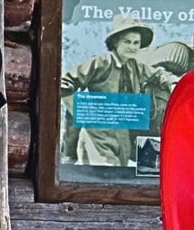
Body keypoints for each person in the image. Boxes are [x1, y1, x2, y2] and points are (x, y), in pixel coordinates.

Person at [60, 16, 177, 166]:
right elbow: (64, 84)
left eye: (136, 43)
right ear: (115, 42)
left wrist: (173, 84)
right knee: (104, 176)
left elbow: (158, 74)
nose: (132, 47)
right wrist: (84, 114)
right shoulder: (100, 63)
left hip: (123, 134)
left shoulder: (135, 66)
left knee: (119, 175)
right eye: (127, 42)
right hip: (98, 133)